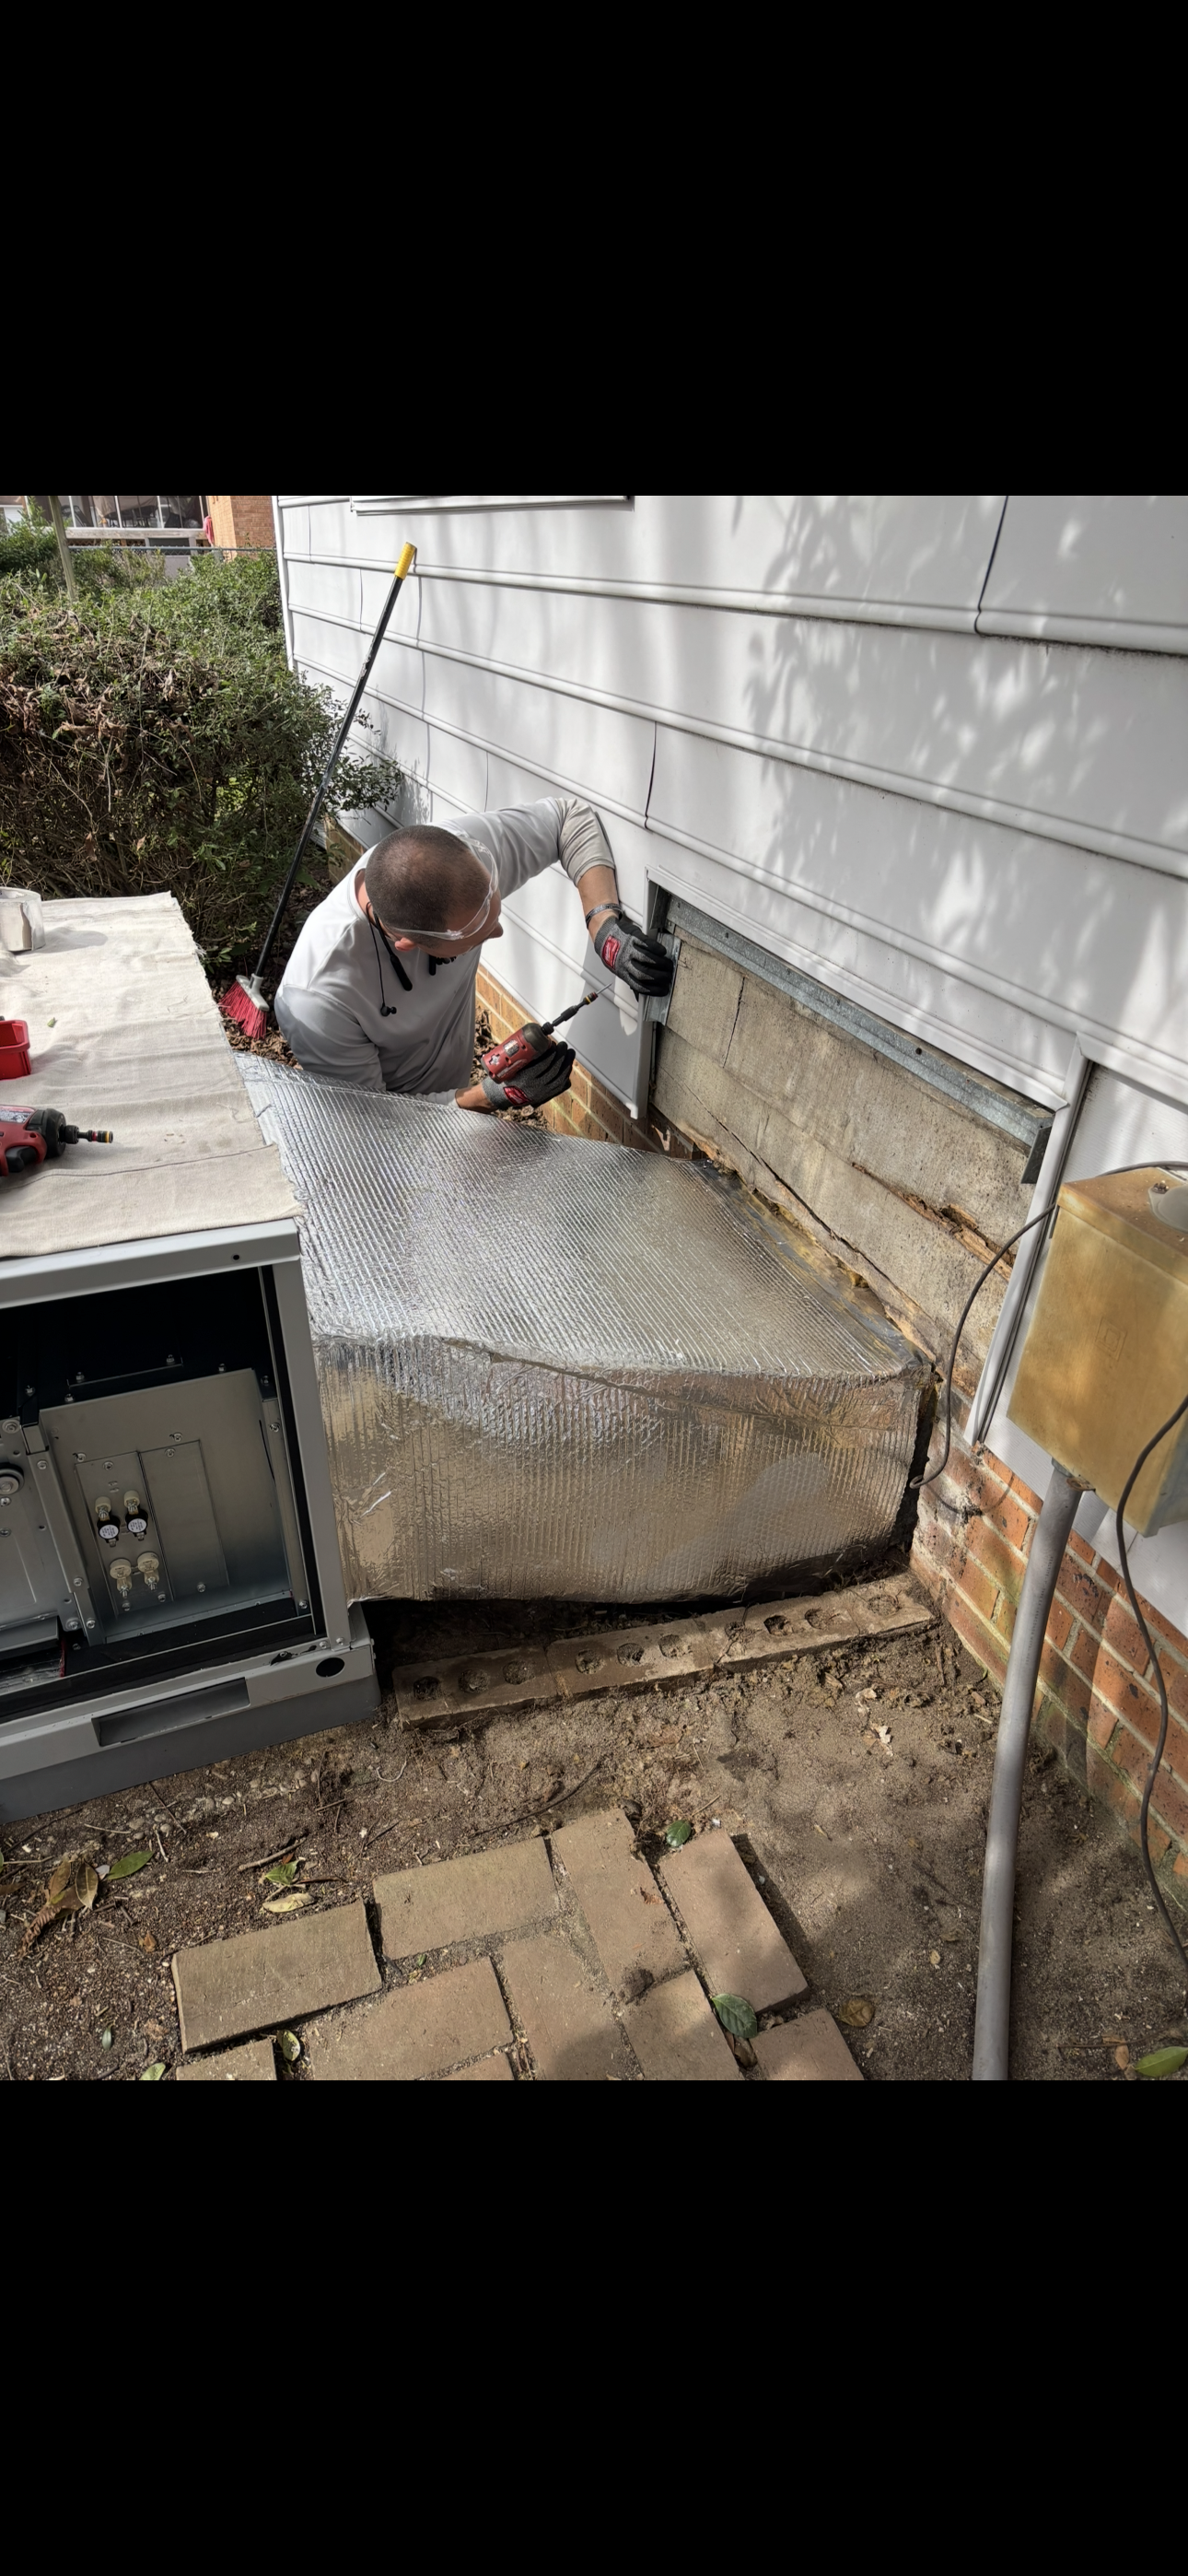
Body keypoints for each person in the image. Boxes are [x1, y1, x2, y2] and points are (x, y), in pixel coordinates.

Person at [274, 796, 673, 1111]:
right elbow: (376, 1124)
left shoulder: (452, 854)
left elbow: (569, 818)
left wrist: (602, 922)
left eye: (494, 914)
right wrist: (492, 1096)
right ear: (409, 943)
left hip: (446, 1094)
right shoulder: (319, 998)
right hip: (397, 1136)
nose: (497, 932)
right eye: (474, 937)